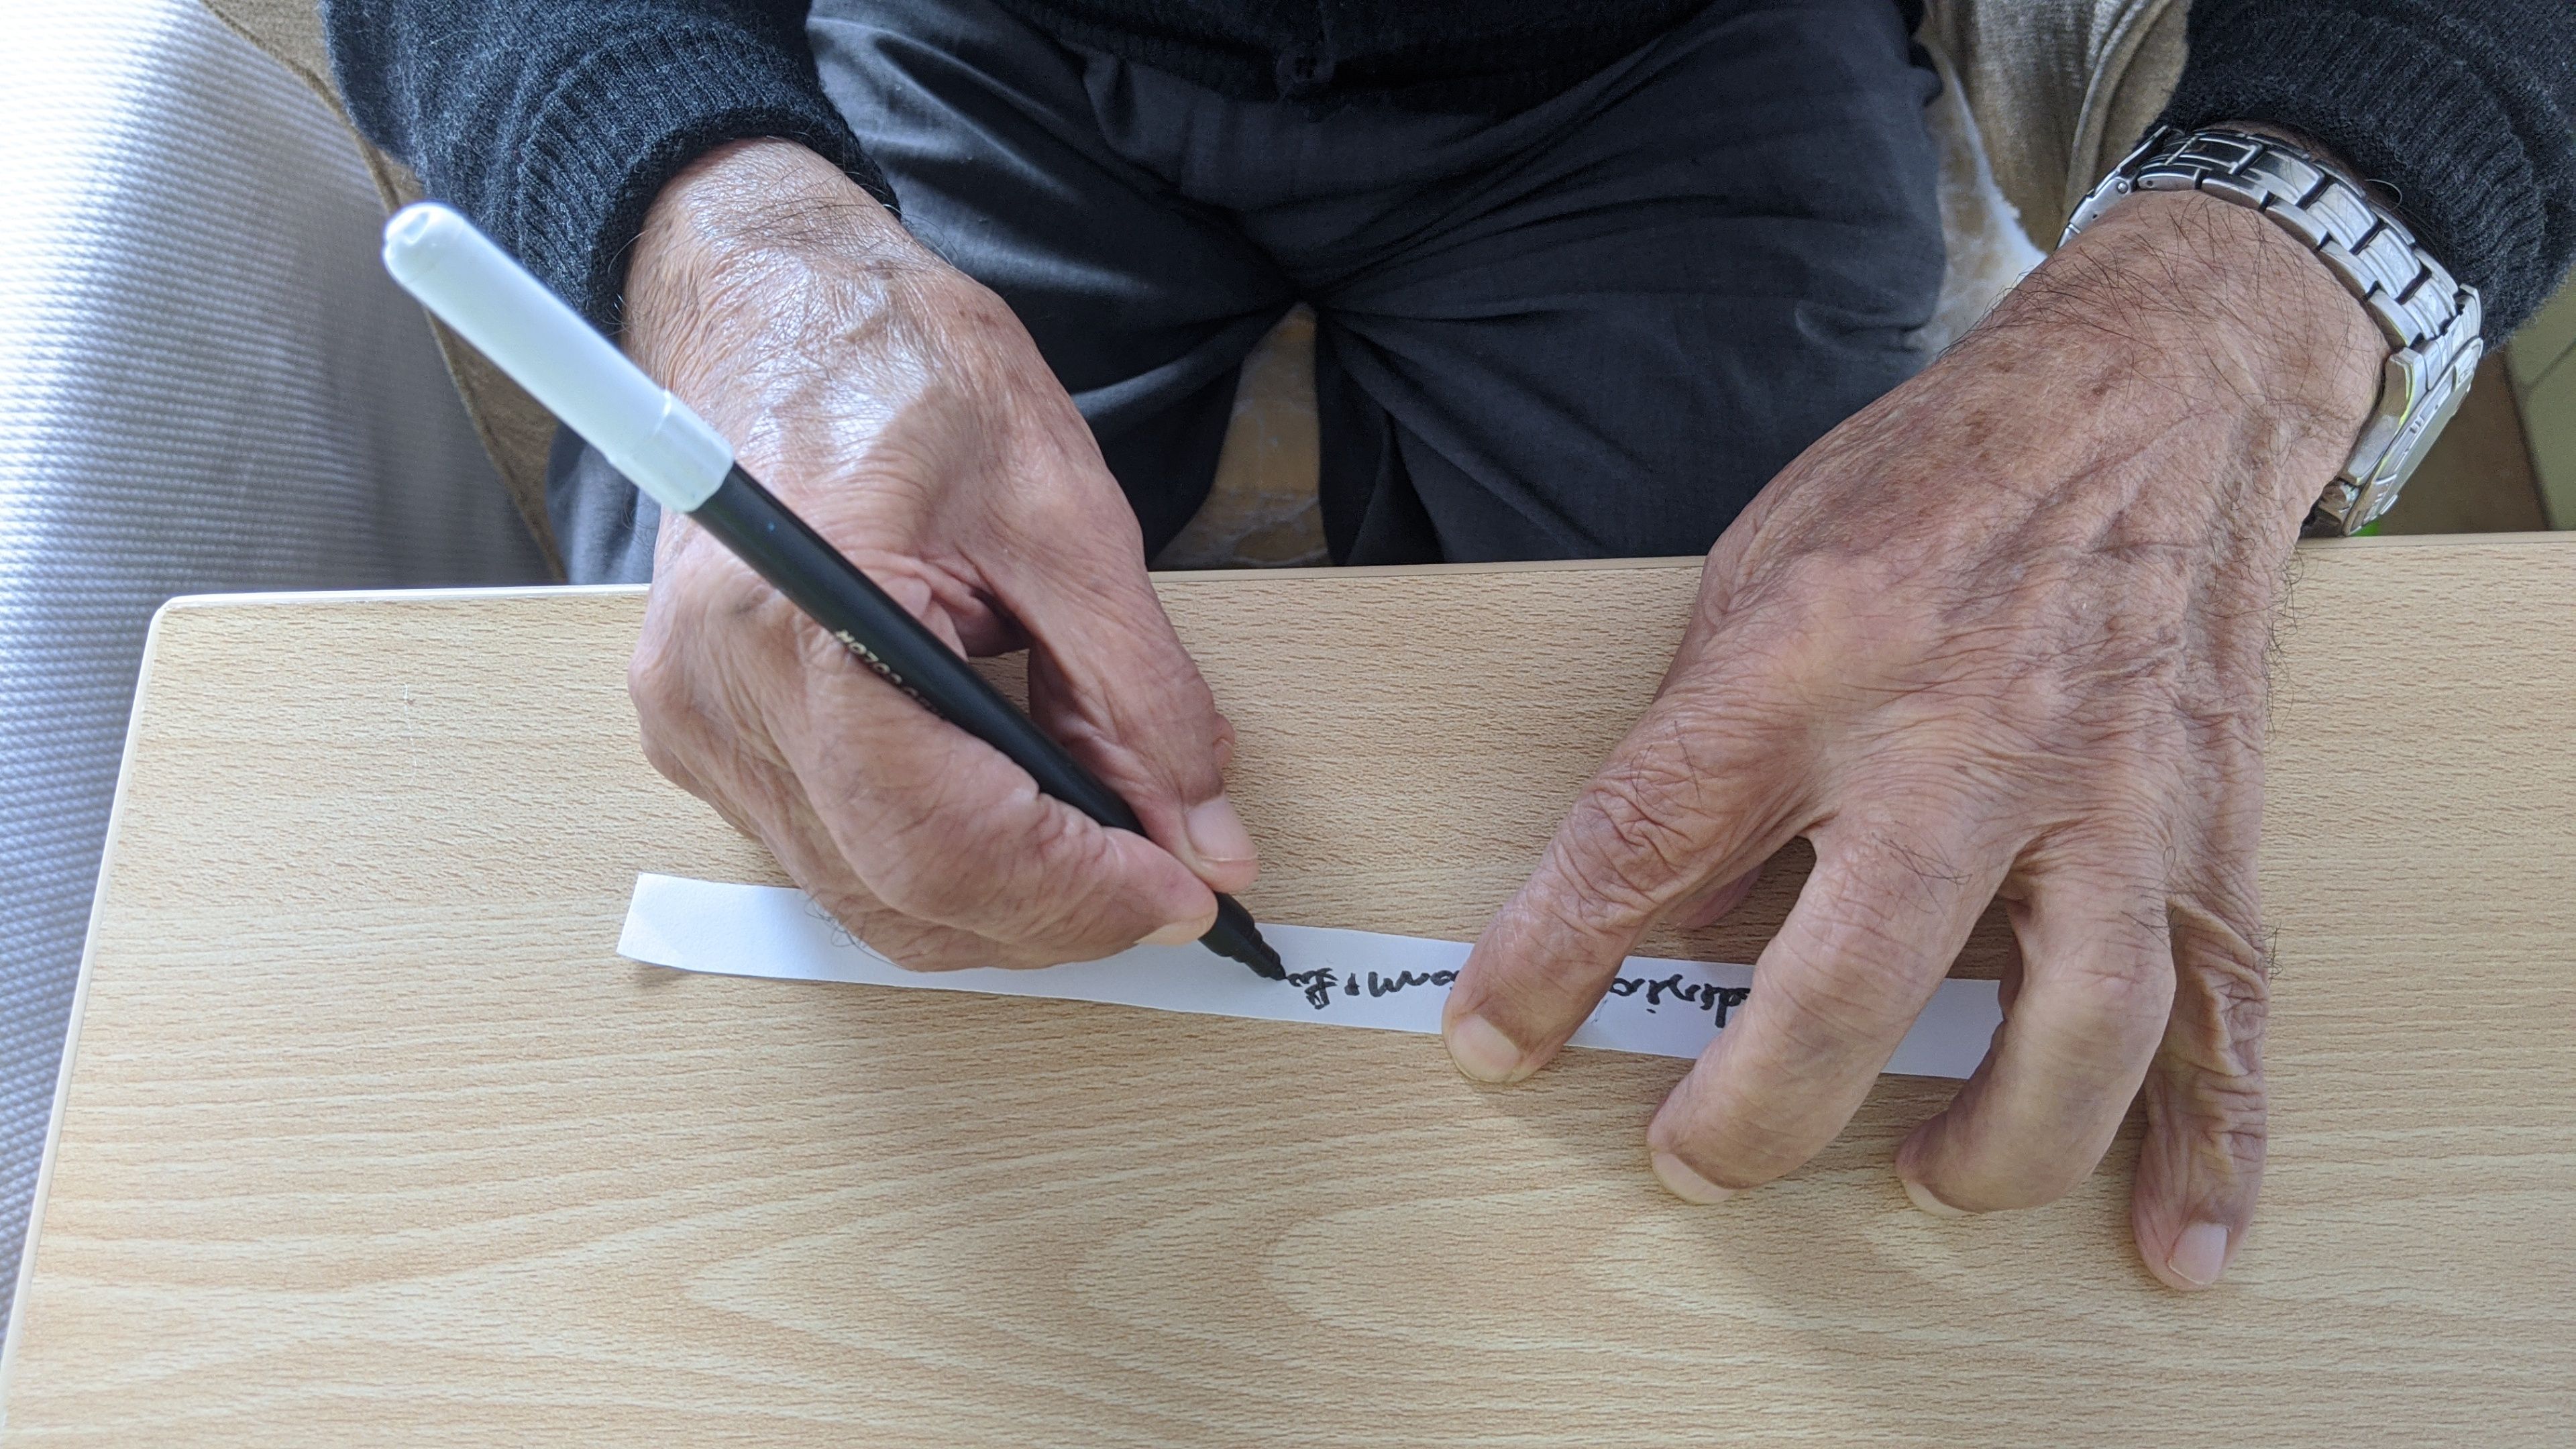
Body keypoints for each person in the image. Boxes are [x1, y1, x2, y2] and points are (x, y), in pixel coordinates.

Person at [327, 0, 2575, 1290]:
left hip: (1688, 47)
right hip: (973, 34)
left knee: (1853, 844)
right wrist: (718, 232)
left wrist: (2253, 290)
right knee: (774, 787)